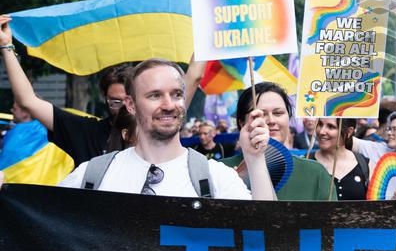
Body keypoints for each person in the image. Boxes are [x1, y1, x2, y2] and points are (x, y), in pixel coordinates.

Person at [57, 59, 275, 200]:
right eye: (155, 95)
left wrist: (255, 159)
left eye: (176, 94)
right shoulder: (93, 175)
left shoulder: (214, 177)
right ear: (130, 104)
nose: (169, 104)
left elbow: (267, 233)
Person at [1, 14, 130, 166]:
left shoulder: (161, 135)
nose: (124, 107)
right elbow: (28, 100)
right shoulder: (87, 132)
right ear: (105, 99)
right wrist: (6, 46)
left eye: (130, 101)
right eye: (115, 101)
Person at [219, 82, 334, 201]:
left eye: (278, 113)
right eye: (261, 114)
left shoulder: (316, 173)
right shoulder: (219, 171)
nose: (271, 120)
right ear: (242, 123)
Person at [311, 117, 367, 200]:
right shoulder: (305, 163)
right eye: (320, 124)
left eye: (330, 126)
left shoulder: (365, 165)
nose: (321, 131)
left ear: (349, 132)